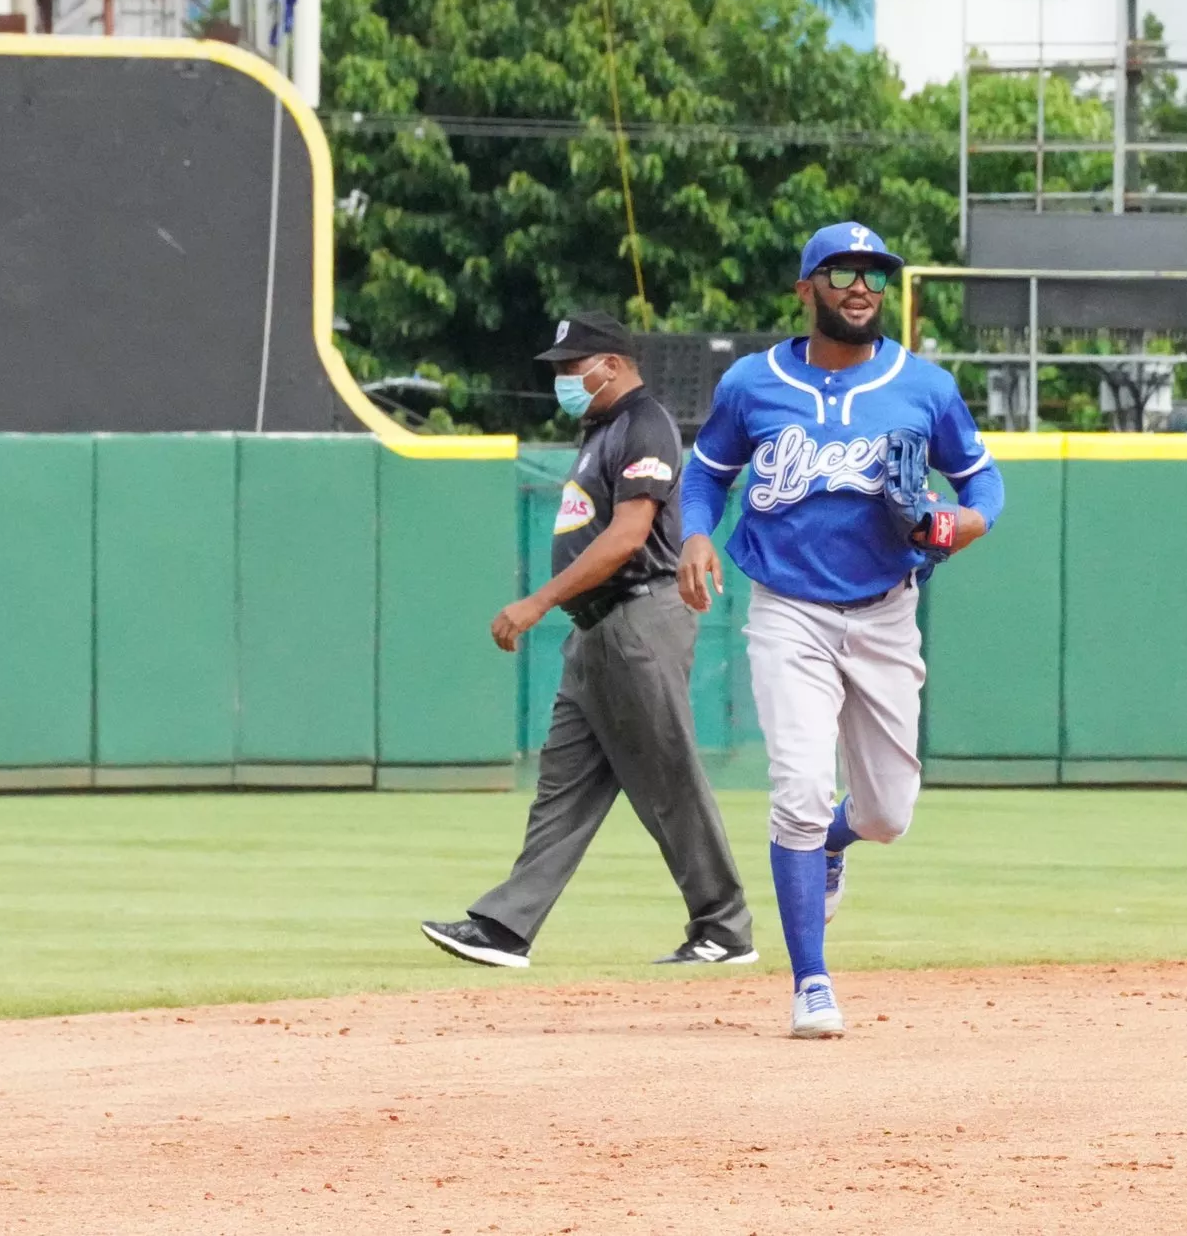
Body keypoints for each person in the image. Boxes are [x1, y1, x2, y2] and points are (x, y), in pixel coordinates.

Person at [677, 222, 1005, 1038]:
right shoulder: (752, 384)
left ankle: (833, 843)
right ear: (806, 289)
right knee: (797, 787)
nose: (861, 286)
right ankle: (811, 983)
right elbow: (705, 476)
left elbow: (982, 480)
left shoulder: (922, 386)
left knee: (889, 813)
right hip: (787, 609)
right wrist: (691, 534)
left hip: (888, 610)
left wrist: (966, 521)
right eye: (842, 271)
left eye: (874, 273)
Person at [421, 310, 756, 970]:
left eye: (574, 367)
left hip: (639, 619)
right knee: (563, 787)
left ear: (613, 363)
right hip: (596, 631)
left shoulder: (642, 421)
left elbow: (629, 535)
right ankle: (505, 928)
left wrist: (537, 602)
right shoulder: (600, 432)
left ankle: (724, 927)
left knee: (669, 778)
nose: (565, 379)